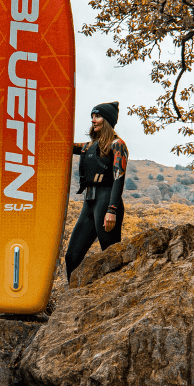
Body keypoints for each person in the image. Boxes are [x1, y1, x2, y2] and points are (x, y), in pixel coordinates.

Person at [65, 101, 128, 279]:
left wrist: (112, 210)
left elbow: (119, 178)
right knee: (71, 257)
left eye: (98, 116)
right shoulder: (88, 146)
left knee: (111, 256)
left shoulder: (117, 144)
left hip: (107, 202)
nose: (93, 120)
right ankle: (74, 294)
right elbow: (64, 145)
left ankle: (116, 292)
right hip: (89, 203)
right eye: (92, 116)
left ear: (107, 120)